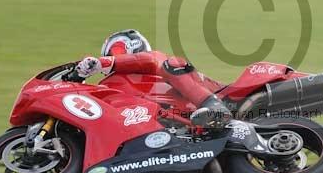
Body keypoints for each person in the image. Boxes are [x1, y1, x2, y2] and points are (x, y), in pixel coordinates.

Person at [68, 29, 231, 128]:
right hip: (183, 123)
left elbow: (151, 60)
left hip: (225, 95)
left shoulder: (154, 60)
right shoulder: (111, 86)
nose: (113, 56)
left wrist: (104, 62)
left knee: (172, 64)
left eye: (116, 50)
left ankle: (216, 108)